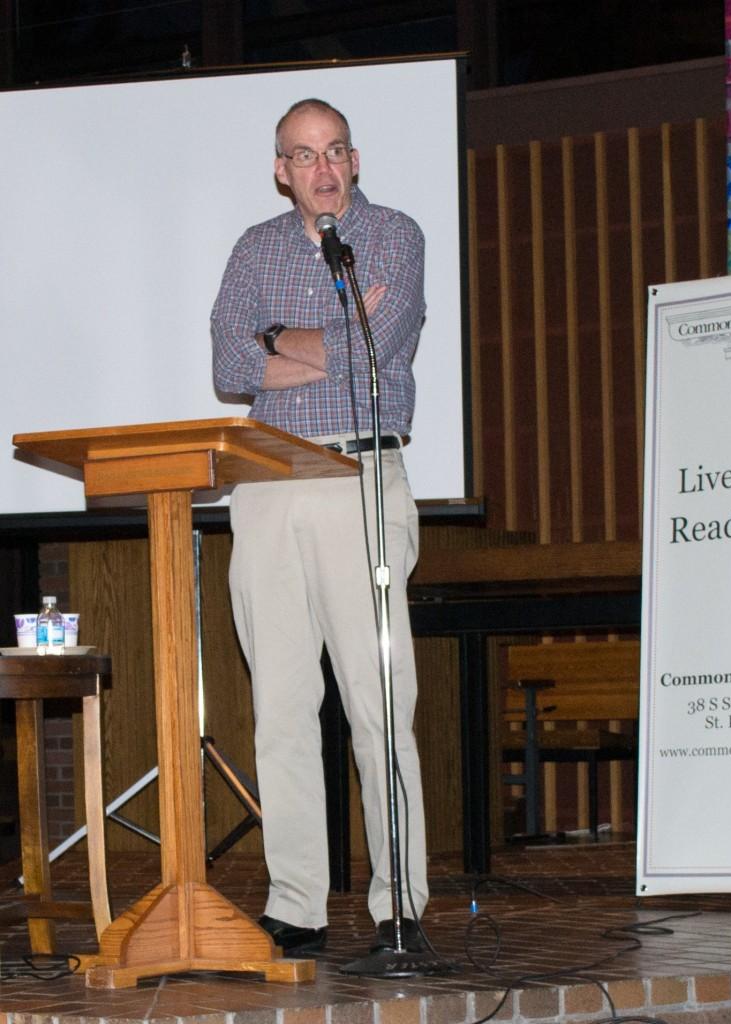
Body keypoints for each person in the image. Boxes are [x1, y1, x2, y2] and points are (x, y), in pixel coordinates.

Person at [211, 97, 429, 956]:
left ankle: (400, 902)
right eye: (304, 156)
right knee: (282, 708)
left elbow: (379, 339)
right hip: (267, 484)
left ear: (356, 157)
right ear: (281, 171)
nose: (323, 168)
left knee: (380, 701)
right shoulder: (253, 249)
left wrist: (283, 339)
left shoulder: (395, 237)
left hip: (359, 474)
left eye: (334, 150)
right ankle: (297, 904)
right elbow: (229, 364)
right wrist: (320, 334)